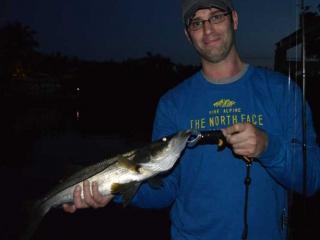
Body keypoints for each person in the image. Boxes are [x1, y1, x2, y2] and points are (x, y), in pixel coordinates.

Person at [63, 0, 320, 239]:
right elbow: (165, 190)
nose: (208, 29)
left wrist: (268, 147)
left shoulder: (282, 92)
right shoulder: (172, 103)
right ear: (188, 34)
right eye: (196, 22)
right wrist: (112, 192)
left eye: (216, 16)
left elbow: (312, 180)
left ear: (234, 20)